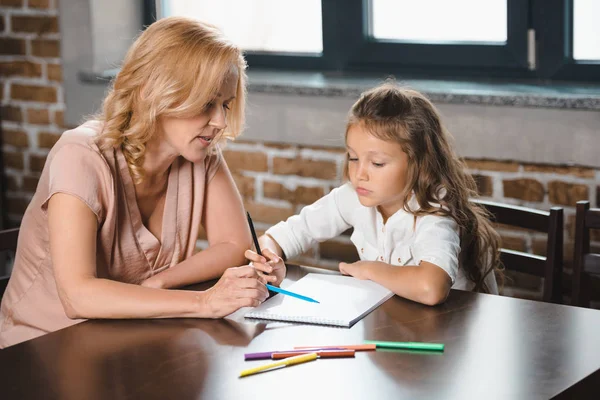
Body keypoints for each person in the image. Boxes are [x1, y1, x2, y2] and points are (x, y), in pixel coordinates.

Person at [0, 17, 274, 348]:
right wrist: (205, 302)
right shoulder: (79, 155)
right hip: (41, 349)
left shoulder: (200, 154)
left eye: (226, 105)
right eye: (206, 103)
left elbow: (233, 245)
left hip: (131, 340)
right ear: (153, 92)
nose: (220, 121)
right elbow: (78, 296)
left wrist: (160, 282)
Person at [246, 82, 502, 306]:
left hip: (447, 339)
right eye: (353, 158)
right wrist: (269, 261)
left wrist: (370, 270)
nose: (359, 174)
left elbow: (431, 288)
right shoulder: (353, 196)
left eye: (377, 163)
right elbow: (281, 236)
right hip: (394, 328)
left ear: (419, 164)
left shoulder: (434, 211)